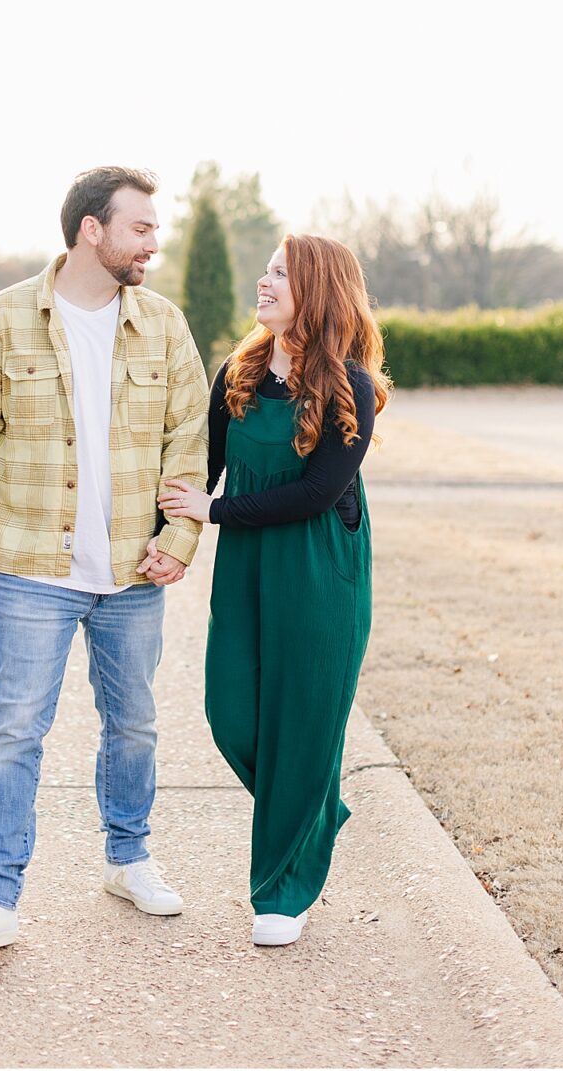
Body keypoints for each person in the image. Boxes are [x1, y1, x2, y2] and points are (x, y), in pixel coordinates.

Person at [0, 166, 210, 955]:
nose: (154, 242)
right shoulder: (6, 317)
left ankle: (129, 856)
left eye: (154, 229)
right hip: (31, 566)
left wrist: (178, 538)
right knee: (14, 728)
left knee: (135, 725)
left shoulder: (162, 324)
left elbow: (189, 439)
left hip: (132, 570)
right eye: (141, 228)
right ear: (94, 229)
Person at [158, 234, 388, 946]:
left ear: (315, 288)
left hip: (323, 569)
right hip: (250, 566)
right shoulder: (242, 369)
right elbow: (203, 467)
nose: (265, 279)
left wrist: (213, 513)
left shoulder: (349, 384)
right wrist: (167, 539)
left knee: (306, 721)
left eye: (281, 272)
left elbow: (319, 492)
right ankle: (314, 809)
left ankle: (283, 889)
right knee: (230, 710)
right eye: (267, 268)